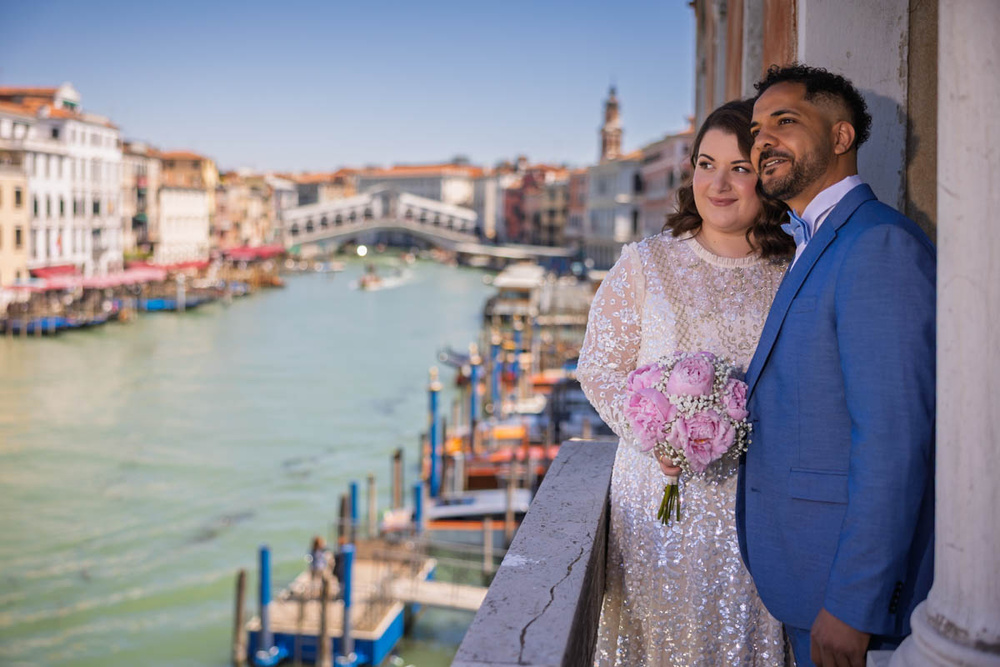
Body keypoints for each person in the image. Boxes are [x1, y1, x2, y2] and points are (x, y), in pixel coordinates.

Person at [578, 99, 794, 666]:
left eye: (739, 168)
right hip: (656, 499)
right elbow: (599, 367)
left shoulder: (792, 272)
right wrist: (657, 437)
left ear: (765, 178)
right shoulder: (645, 263)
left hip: (753, 509)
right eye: (705, 163)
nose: (718, 183)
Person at [737, 65, 936, 667]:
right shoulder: (815, 241)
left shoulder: (878, 246)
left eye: (785, 122)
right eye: (755, 130)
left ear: (842, 138)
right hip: (804, 578)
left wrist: (857, 603)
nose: (762, 140)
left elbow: (895, 440)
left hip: (846, 600)